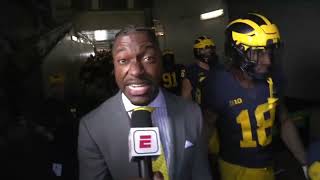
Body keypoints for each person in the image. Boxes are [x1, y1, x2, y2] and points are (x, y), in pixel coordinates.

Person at [78, 25, 212, 180]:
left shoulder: (192, 113)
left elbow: (202, 174)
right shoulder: (91, 127)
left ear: (161, 61)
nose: (136, 71)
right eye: (123, 60)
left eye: (148, 58)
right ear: (114, 67)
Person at [204, 13, 307, 180]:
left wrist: (304, 162)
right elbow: (206, 128)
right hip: (235, 168)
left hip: (268, 165)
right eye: (258, 53)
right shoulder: (218, 83)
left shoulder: (273, 78)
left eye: (269, 52)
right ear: (237, 52)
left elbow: (284, 120)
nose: (267, 61)